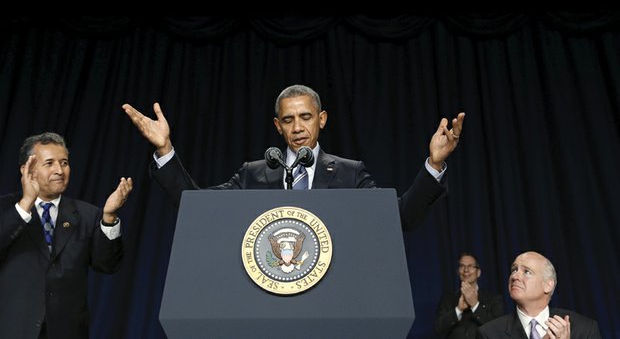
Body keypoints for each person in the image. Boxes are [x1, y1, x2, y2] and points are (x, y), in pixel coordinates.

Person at [122, 84, 465, 230]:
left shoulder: (349, 173)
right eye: (288, 120)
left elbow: (400, 218)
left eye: (306, 117)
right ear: (277, 126)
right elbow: (195, 207)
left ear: (322, 119)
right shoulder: (253, 175)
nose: (298, 127)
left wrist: (433, 164)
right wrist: (165, 150)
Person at [0, 132, 133, 339]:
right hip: (13, 328)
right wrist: (25, 204)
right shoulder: (5, 209)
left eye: (64, 163)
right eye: (50, 163)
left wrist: (109, 218)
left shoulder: (88, 215)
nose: (59, 170)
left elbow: (107, 265)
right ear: (28, 170)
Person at [477, 251, 602, 339]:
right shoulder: (489, 333)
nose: (515, 276)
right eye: (514, 270)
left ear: (548, 285)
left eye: (527, 272)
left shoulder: (584, 329)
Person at [435, 252, 504, 339]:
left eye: (470, 266)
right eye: (462, 266)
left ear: (478, 272)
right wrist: (458, 310)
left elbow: (497, 330)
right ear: (458, 272)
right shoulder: (447, 300)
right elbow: (438, 329)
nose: (466, 270)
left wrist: (475, 305)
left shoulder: (494, 299)